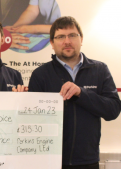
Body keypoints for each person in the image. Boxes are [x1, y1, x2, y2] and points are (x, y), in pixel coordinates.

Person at [28, 16, 121, 169]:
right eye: (60, 37)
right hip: (50, 161)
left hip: (88, 161)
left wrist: (81, 93)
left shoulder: (100, 70)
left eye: (72, 35)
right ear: (52, 43)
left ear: (81, 38)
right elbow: (32, 121)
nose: (67, 41)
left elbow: (113, 110)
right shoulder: (40, 74)